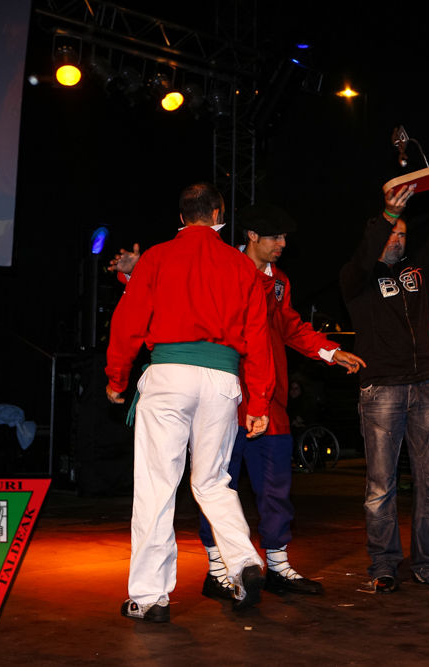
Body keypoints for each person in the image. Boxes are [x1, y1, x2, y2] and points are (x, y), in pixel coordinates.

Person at [105, 182, 275, 621]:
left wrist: (117, 378)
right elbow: (258, 338)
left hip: (169, 375)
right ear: (219, 214)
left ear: (181, 217)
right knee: (213, 481)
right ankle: (244, 561)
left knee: (157, 485)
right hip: (221, 379)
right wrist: (259, 403)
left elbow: (128, 321)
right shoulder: (241, 266)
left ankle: (149, 597)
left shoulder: (157, 257)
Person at [196, 203, 366, 601]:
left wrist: (330, 351)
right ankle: (217, 570)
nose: (283, 244)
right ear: (252, 236)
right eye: (275, 237)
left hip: (269, 399)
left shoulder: (279, 281)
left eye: (285, 237)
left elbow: (289, 325)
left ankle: (277, 566)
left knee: (275, 485)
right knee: (216, 484)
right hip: (223, 395)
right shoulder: (221, 267)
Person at [339, 159, 429, 593]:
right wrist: (387, 215)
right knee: (381, 486)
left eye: (402, 234)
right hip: (382, 388)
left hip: (424, 386)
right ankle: (384, 565)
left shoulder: (416, 272)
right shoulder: (356, 279)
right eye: (391, 233)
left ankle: (428, 564)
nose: (398, 239)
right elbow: (365, 255)